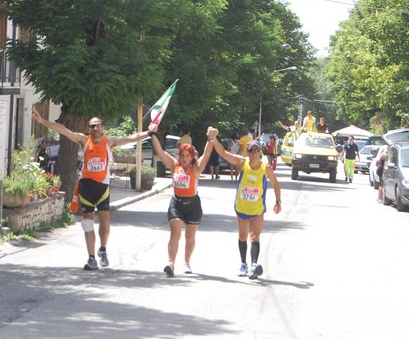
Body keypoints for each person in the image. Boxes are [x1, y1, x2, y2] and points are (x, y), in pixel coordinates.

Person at [32, 106, 151, 271]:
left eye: (97, 125)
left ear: (103, 127)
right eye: (91, 126)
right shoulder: (83, 140)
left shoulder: (110, 142)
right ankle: (91, 258)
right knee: (87, 222)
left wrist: (149, 133)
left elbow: (131, 138)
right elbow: (63, 130)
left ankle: (102, 249)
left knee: (104, 221)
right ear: (89, 129)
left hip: (102, 187)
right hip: (86, 186)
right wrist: (42, 121)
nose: (94, 129)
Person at [210, 130, 282, 280]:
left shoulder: (265, 168)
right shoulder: (242, 163)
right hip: (242, 207)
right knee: (243, 235)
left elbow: (275, 184)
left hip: (257, 209)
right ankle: (243, 264)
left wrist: (278, 201)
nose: (253, 153)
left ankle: (254, 265)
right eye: (250, 150)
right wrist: (214, 138)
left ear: (260, 152)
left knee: (255, 237)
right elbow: (223, 153)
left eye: (256, 150)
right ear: (247, 152)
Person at [147, 122, 213, 276]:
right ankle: (170, 264)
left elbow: (206, 155)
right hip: (176, 203)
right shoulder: (174, 165)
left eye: (187, 156)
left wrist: (211, 139)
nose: (183, 159)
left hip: (193, 205)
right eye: (182, 155)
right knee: (175, 233)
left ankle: (187, 263)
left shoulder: (195, 169)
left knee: (190, 236)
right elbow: (160, 151)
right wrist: (152, 134)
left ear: (191, 157)